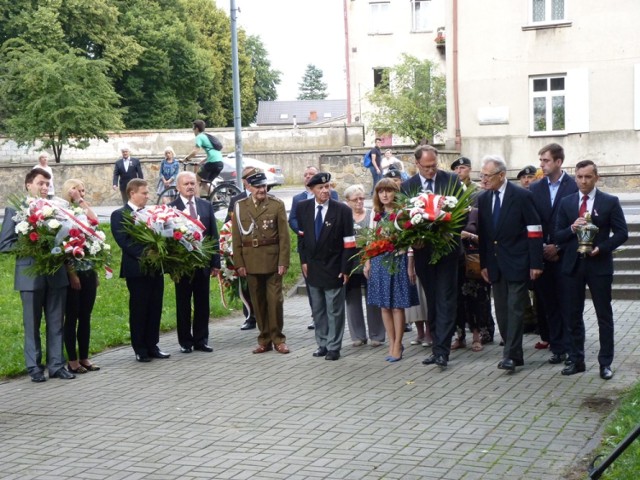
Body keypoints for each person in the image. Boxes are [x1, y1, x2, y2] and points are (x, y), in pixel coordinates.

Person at [555, 160, 628, 380]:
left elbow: (622, 233)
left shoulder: (609, 201)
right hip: (572, 265)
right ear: (575, 177)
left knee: (603, 315)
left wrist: (602, 248)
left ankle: (605, 363)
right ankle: (576, 360)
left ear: (596, 177)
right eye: (579, 177)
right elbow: (556, 235)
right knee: (572, 315)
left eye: (588, 177)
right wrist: (571, 228)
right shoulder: (567, 203)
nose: (583, 181)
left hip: (599, 266)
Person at [0, 168, 74, 382]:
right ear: (28, 185)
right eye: (40, 183)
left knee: (56, 321)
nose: (44, 188)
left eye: (47, 184)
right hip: (30, 276)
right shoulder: (15, 209)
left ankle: (57, 365)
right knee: (31, 323)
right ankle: (34, 367)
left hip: (56, 273)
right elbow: (4, 244)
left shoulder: (57, 208)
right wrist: (32, 246)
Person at [477, 155, 543, 373]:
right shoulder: (484, 198)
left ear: (502, 175)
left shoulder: (522, 196)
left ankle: (511, 356)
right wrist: (484, 264)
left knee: (515, 309)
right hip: (495, 265)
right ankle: (513, 352)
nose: (483, 179)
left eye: (487, 176)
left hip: (518, 261)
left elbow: (534, 229)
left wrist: (536, 263)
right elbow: (485, 235)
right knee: (502, 312)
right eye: (482, 175)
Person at [401, 145, 463, 369]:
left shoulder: (451, 181)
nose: (431, 171)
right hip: (423, 253)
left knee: (445, 299)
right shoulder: (408, 186)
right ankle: (437, 345)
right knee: (433, 299)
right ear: (416, 164)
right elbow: (402, 219)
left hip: (447, 251)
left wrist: (450, 232)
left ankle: (442, 351)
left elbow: (463, 212)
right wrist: (411, 238)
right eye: (426, 167)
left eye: (434, 165)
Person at [296, 172, 356, 361]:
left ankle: (333, 346)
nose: (325, 190)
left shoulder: (342, 210)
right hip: (313, 265)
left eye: (328, 186)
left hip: (334, 265)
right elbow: (302, 236)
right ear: (311, 190)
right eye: (320, 188)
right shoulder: (302, 207)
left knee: (334, 309)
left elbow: (349, 242)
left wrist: (346, 268)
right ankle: (321, 343)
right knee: (318, 309)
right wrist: (303, 261)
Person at [231, 171, 291, 354]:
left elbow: (284, 237)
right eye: (257, 187)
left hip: (272, 260)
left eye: (263, 186)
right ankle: (264, 338)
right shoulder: (240, 206)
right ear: (248, 187)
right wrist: (239, 263)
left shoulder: (276, 205)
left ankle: (278, 339)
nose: (261, 190)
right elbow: (236, 238)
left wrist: (283, 261)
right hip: (250, 261)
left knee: (275, 301)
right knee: (257, 302)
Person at [110, 179, 169, 362]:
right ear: (132, 193)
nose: (147, 196)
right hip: (137, 269)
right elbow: (124, 241)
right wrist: (147, 254)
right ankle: (140, 348)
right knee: (139, 308)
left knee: (155, 307)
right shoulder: (120, 214)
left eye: (147, 192)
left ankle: (153, 345)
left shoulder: (150, 213)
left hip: (155, 268)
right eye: (143, 193)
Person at [529, 143, 578, 364]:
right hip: (542, 256)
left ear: (559, 162)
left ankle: (572, 347)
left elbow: (580, 222)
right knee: (549, 303)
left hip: (567, 254)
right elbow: (532, 222)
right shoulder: (536, 188)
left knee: (568, 303)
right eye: (541, 160)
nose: (542, 165)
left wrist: (558, 247)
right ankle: (557, 347)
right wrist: (540, 250)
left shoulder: (574, 186)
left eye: (546, 160)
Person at [364, 178, 419, 362]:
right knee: (384, 305)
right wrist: (367, 261)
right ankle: (391, 341)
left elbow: (411, 241)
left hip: (398, 259)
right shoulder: (375, 213)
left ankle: (398, 344)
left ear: (395, 192)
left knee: (397, 305)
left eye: (388, 190)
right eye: (381, 191)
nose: (385, 195)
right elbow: (370, 239)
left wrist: (411, 263)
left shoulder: (402, 212)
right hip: (379, 261)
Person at [169, 171, 220, 353]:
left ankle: (201, 340)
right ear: (178, 187)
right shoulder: (171, 209)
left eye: (193, 183)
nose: (190, 186)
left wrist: (216, 262)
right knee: (183, 304)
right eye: (186, 184)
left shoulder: (205, 205)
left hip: (203, 264)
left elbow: (214, 235)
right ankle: (185, 342)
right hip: (182, 266)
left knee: (202, 303)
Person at [288, 165, 338, 330]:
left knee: (331, 292)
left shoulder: (334, 196)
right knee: (313, 290)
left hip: (329, 251)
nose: (308, 176)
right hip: (309, 249)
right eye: (305, 174)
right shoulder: (299, 200)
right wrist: (302, 231)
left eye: (311, 174)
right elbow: (293, 219)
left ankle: (330, 322)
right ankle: (316, 317)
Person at [62, 179, 101, 374]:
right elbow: (63, 246)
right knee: (72, 317)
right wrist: (72, 273)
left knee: (85, 316)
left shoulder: (82, 211)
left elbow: (94, 222)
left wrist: (81, 201)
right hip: (72, 271)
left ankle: (84, 356)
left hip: (88, 268)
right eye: (78, 190)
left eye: (84, 190)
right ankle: (72, 360)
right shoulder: (62, 212)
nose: (82, 194)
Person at [343, 184, 385, 347]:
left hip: (371, 261)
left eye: (362, 198)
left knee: (373, 299)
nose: (359, 202)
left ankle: (377, 335)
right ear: (348, 201)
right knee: (352, 300)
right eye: (355, 199)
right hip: (351, 263)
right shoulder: (345, 216)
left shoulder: (372, 215)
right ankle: (358, 336)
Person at [451, 206, 495, 352]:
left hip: (475, 264)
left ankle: (478, 336)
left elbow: (489, 239)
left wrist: (469, 236)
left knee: (477, 301)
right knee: (458, 301)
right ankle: (460, 336)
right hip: (456, 264)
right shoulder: (448, 213)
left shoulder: (476, 212)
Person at [226, 167, 259, 330]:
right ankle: (249, 316)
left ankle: (265, 316)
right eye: (251, 179)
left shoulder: (269, 198)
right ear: (245, 182)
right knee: (245, 285)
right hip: (245, 251)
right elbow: (228, 223)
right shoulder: (236, 200)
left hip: (262, 251)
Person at [184, 119, 223, 189]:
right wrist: (201, 162)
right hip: (220, 164)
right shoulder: (206, 136)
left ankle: (196, 199)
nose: (193, 130)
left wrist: (186, 159)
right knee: (203, 182)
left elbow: (195, 152)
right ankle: (215, 199)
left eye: (193, 128)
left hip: (212, 163)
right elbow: (211, 154)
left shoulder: (199, 137)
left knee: (196, 180)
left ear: (197, 129)